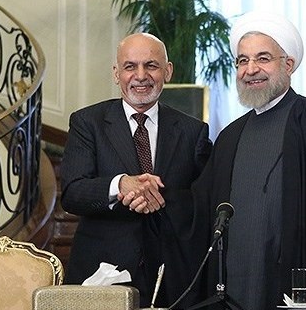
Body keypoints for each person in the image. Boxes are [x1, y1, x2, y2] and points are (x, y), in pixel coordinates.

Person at [190, 12, 306, 310]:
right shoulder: (230, 136)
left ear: (288, 64)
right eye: (242, 61)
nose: (251, 69)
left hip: (298, 285)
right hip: (234, 286)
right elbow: (201, 208)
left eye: (263, 59)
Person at [60, 32, 213, 307]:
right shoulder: (87, 122)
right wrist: (120, 185)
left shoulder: (193, 131)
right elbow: (72, 192)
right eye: (130, 66)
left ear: (167, 71)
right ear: (116, 73)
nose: (141, 76)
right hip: (103, 274)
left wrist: (155, 196)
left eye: (151, 65)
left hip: (171, 277)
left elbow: (204, 202)